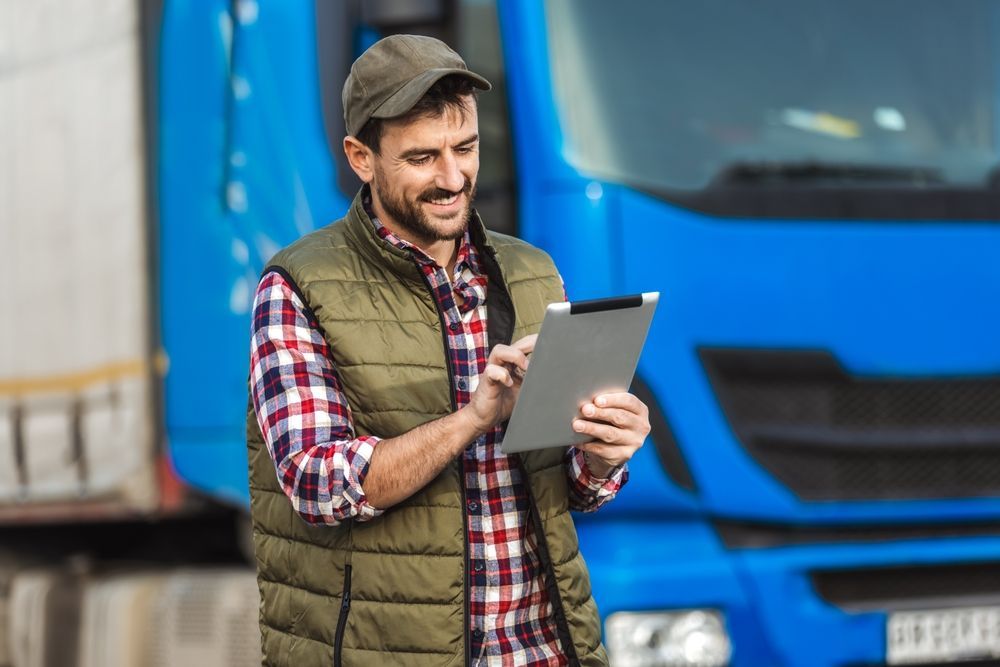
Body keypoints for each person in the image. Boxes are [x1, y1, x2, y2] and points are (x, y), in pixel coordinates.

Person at [246, 34, 650, 667]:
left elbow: (563, 486)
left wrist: (604, 454)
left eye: (465, 148)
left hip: (542, 651)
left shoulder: (531, 271)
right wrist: (473, 418)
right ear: (361, 157)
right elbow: (316, 484)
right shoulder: (299, 286)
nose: (453, 176)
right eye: (423, 157)